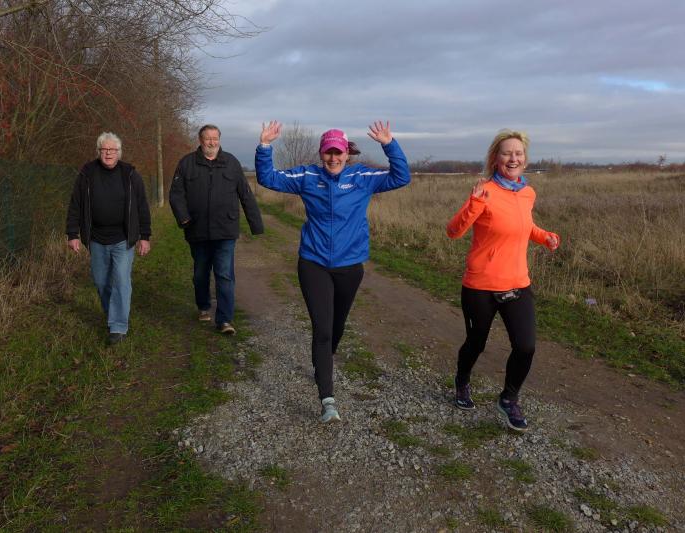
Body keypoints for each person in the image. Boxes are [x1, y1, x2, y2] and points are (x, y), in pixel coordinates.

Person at [255, 120, 411, 423]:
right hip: (313, 263)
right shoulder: (307, 176)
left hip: (350, 266)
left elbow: (401, 177)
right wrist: (265, 146)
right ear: (321, 153)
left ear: (346, 154)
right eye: (328, 152)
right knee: (323, 329)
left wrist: (389, 144)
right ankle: (327, 399)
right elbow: (268, 178)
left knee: (337, 326)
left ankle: (324, 358)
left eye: (338, 152)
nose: (333, 158)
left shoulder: (362, 177)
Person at [446, 129, 559, 431]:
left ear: (525, 159)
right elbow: (454, 231)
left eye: (518, 153)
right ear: (495, 158)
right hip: (480, 286)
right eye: (507, 153)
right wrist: (474, 203)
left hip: (517, 283)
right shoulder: (484, 191)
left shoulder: (527, 192)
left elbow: (524, 225)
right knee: (476, 343)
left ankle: (509, 399)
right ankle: (462, 381)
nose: (513, 158)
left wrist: (544, 237)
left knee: (526, 346)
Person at [169, 124, 264, 335]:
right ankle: (203, 306)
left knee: (224, 274)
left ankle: (225, 320)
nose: (212, 142)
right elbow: (176, 194)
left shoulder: (231, 163)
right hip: (197, 229)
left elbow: (245, 194)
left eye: (215, 138)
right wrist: (184, 218)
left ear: (219, 140)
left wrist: (256, 224)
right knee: (201, 273)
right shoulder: (187, 163)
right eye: (208, 138)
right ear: (200, 140)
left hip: (225, 229)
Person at [66, 132, 152, 345]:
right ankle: (112, 314)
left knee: (121, 280)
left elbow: (142, 206)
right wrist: (72, 233)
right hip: (96, 238)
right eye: (104, 149)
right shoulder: (87, 173)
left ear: (119, 152)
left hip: (123, 238)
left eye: (112, 150)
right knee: (101, 281)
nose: (108, 153)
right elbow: (75, 204)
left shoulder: (130, 175)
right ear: (98, 151)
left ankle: (118, 326)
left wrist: (145, 236)